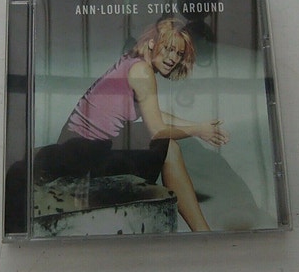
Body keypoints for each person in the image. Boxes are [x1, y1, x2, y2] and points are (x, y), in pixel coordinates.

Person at [35, 18, 229, 232]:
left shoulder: (133, 62)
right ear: (152, 43)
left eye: (179, 53)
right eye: (168, 49)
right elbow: (157, 131)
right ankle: (202, 231)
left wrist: (198, 126)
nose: (173, 58)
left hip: (78, 146)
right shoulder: (142, 72)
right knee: (169, 147)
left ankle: (202, 231)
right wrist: (198, 131)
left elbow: (154, 114)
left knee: (168, 146)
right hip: (83, 156)